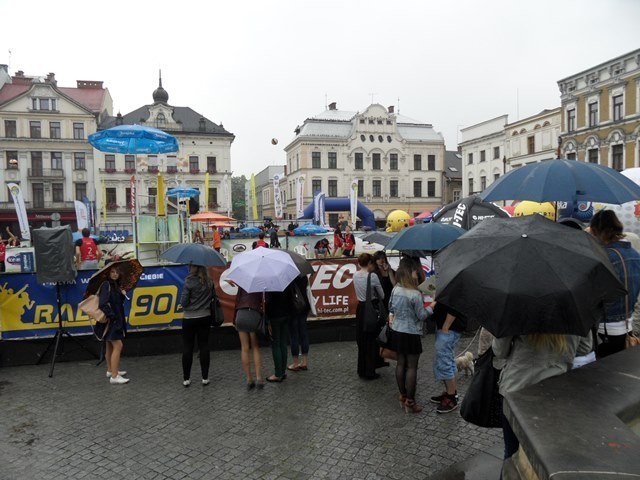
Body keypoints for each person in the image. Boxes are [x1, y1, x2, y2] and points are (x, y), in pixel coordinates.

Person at [493, 334, 580, 463]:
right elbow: (585, 347)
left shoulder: (520, 314)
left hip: (518, 388)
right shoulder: (574, 315)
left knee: (512, 455)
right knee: (545, 458)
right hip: (554, 394)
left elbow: (500, 351)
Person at [589, 209, 640, 357]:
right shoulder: (636, 256)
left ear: (595, 231)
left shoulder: (602, 256)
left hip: (603, 331)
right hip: (627, 328)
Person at [389, 262, 433, 413]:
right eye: (415, 272)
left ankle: (402, 395)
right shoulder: (415, 294)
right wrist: (432, 307)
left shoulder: (395, 289)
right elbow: (421, 315)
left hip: (397, 331)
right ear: (409, 274)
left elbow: (390, 307)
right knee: (412, 367)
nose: (417, 274)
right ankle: (411, 401)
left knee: (401, 363)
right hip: (411, 332)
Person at [180, 265, 214, 387]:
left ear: (196, 268)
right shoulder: (209, 282)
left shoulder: (189, 282)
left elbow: (183, 302)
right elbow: (212, 298)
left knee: (188, 347)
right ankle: (205, 377)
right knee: (204, 346)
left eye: (191, 266)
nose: (189, 267)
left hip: (189, 318)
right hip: (205, 317)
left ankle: (186, 378)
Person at [96, 265, 130, 385]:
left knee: (110, 346)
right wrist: (113, 316)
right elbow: (103, 304)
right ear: (108, 273)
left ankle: (111, 370)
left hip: (114, 320)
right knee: (118, 345)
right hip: (111, 321)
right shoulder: (106, 285)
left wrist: (122, 294)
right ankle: (114, 377)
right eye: (113, 272)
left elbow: (117, 302)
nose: (115, 274)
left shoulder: (114, 285)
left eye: (117, 272)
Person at [353, 253, 385, 380]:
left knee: (362, 339)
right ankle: (370, 369)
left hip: (360, 309)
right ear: (370, 263)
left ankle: (362, 368)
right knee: (372, 340)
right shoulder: (373, 277)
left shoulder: (355, 275)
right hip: (371, 308)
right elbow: (382, 295)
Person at [430, 303, 466, 413]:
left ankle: (451, 398)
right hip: (446, 326)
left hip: (448, 328)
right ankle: (451, 393)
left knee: (444, 361)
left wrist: (446, 325)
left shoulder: (454, 287)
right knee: (448, 360)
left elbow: (455, 305)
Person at [233, 284, 265, 389]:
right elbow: (264, 301)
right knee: (255, 346)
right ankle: (259, 378)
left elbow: (237, 301)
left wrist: (234, 319)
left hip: (240, 314)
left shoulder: (242, 283)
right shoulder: (259, 284)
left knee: (244, 348)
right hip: (253, 313)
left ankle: (249, 379)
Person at [265, 284, 293, 382]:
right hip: (286, 315)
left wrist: (267, 319)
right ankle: (283, 371)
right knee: (283, 343)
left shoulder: (270, 284)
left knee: (276, 344)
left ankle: (278, 374)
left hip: (275, 317)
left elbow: (268, 303)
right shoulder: (287, 281)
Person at [287, 275, 311, 372]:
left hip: (292, 307)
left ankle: (295, 363)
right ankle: (304, 361)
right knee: (303, 333)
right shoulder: (303, 275)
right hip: (304, 306)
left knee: (294, 335)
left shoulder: (288, 276)